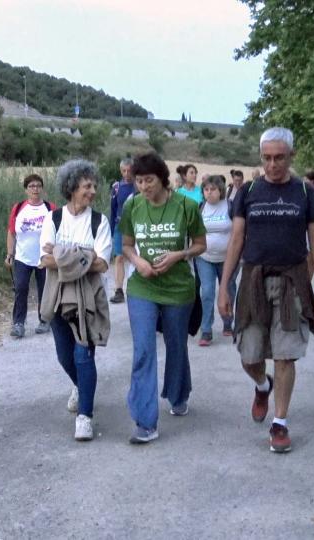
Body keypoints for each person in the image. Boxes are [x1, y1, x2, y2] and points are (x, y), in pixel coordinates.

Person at [218, 127, 314, 454]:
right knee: (249, 354)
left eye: (279, 157)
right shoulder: (249, 190)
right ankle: (261, 385)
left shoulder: (306, 193)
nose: (272, 164)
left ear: (291, 156)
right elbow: (237, 240)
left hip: (292, 282)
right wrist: (224, 286)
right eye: (267, 158)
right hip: (253, 279)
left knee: (285, 354)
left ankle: (280, 423)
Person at [120, 152, 207, 444]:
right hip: (142, 288)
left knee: (176, 344)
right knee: (143, 350)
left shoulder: (186, 206)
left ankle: (178, 393)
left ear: (163, 179)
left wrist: (178, 255)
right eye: (139, 181)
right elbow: (127, 246)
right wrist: (138, 262)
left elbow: (200, 244)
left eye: (149, 180)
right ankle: (145, 422)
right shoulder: (133, 205)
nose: (143, 186)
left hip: (179, 289)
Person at [38, 159, 112, 441]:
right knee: (63, 355)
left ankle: (85, 416)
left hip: (88, 297)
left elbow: (102, 264)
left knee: (84, 354)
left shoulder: (99, 221)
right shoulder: (54, 218)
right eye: (86, 186)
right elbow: (44, 260)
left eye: (94, 186)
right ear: (71, 188)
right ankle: (82, 388)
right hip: (57, 295)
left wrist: (62, 254)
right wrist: (82, 255)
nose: (92, 191)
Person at [5, 174, 55, 338]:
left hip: (44, 257)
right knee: (20, 289)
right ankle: (19, 323)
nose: (35, 189)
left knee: (44, 289)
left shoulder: (50, 208)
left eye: (38, 186)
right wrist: (10, 253)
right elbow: (12, 233)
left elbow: (59, 232)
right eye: (32, 186)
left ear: (42, 188)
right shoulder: (18, 208)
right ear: (26, 189)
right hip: (22, 257)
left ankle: (45, 319)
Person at [195, 174, 236, 346]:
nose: (209, 193)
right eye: (206, 189)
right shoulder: (201, 207)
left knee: (229, 290)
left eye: (213, 190)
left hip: (227, 258)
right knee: (207, 292)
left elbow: (239, 231)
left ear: (221, 191)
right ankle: (206, 330)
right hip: (205, 257)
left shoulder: (230, 206)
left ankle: (228, 321)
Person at [109, 157, 136, 304]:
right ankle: (119, 290)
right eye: (123, 170)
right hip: (120, 227)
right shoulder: (116, 187)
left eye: (129, 170)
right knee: (119, 258)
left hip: (136, 227)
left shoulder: (139, 186)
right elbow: (113, 210)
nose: (126, 173)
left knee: (136, 257)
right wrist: (111, 231)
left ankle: (138, 289)